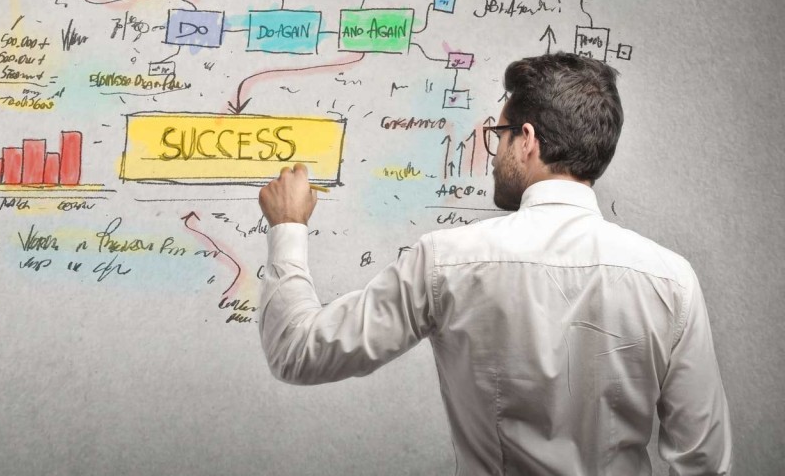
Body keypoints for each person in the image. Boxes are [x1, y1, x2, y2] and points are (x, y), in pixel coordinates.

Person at [258, 53, 732, 475]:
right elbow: (705, 463)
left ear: (526, 140)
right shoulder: (672, 280)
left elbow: (296, 351)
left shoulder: (447, 261)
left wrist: (287, 225)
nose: (494, 153)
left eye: (498, 136)